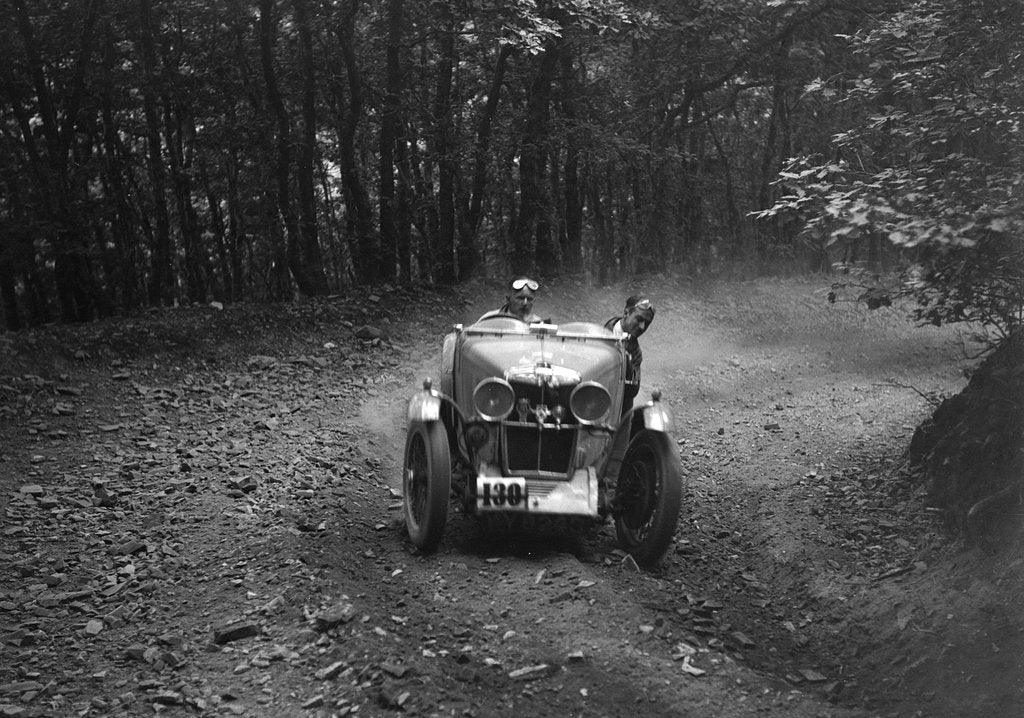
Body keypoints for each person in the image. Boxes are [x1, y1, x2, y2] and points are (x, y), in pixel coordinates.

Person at [604, 295, 656, 413]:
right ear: (626, 313)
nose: (642, 327)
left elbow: (633, 391)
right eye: (639, 319)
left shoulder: (636, 353)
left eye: (647, 323)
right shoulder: (600, 333)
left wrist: (628, 363)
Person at [479, 276, 545, 323]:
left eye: (529, 299)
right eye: (520, 298)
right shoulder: (490, 319)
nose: (525, 303)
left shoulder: (539, 324)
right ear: (508, 298)